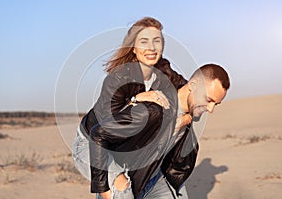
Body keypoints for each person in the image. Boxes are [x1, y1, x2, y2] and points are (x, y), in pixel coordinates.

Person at [72, 17, 188, 199]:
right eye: (144, 41)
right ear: (133, 48)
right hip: (91, 143)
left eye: (156, 41)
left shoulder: (164, 70)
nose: (151, 47)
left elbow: (188, 90)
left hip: (128, 146)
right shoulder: (118, 79)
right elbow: (102, 130)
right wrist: (135, 99)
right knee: (122, 188)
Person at [140, 63, 230, 198]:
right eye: (208, 100)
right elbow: (104, 138)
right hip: (128, 181)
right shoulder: (154, 107)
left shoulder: (192, 108)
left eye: (215, 104)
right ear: (194, 85)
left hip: (158, 178)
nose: (210, 110)